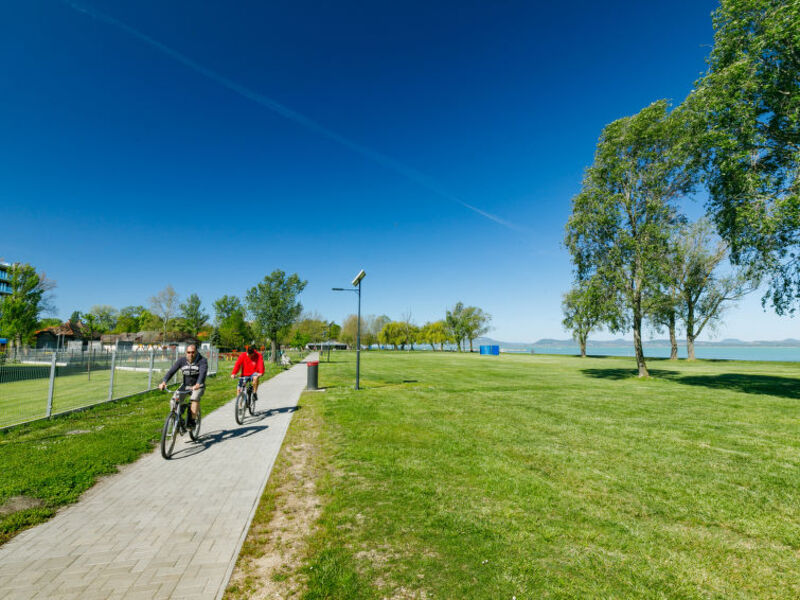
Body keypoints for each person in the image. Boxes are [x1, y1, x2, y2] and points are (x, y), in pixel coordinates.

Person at [158, 344, 207, 429]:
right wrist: (164, 382)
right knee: (173, 401)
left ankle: (192, 421)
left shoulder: (202, 360)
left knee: (194, 398)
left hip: (198, 386)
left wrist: (198, 384)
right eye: (188, 352)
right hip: (185, 386)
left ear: (196, 352)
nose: (190, 354)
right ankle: (179, 420)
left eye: (193, 352)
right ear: (186, 353)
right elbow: (171, 371)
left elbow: (203, 373)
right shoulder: (181, 360)